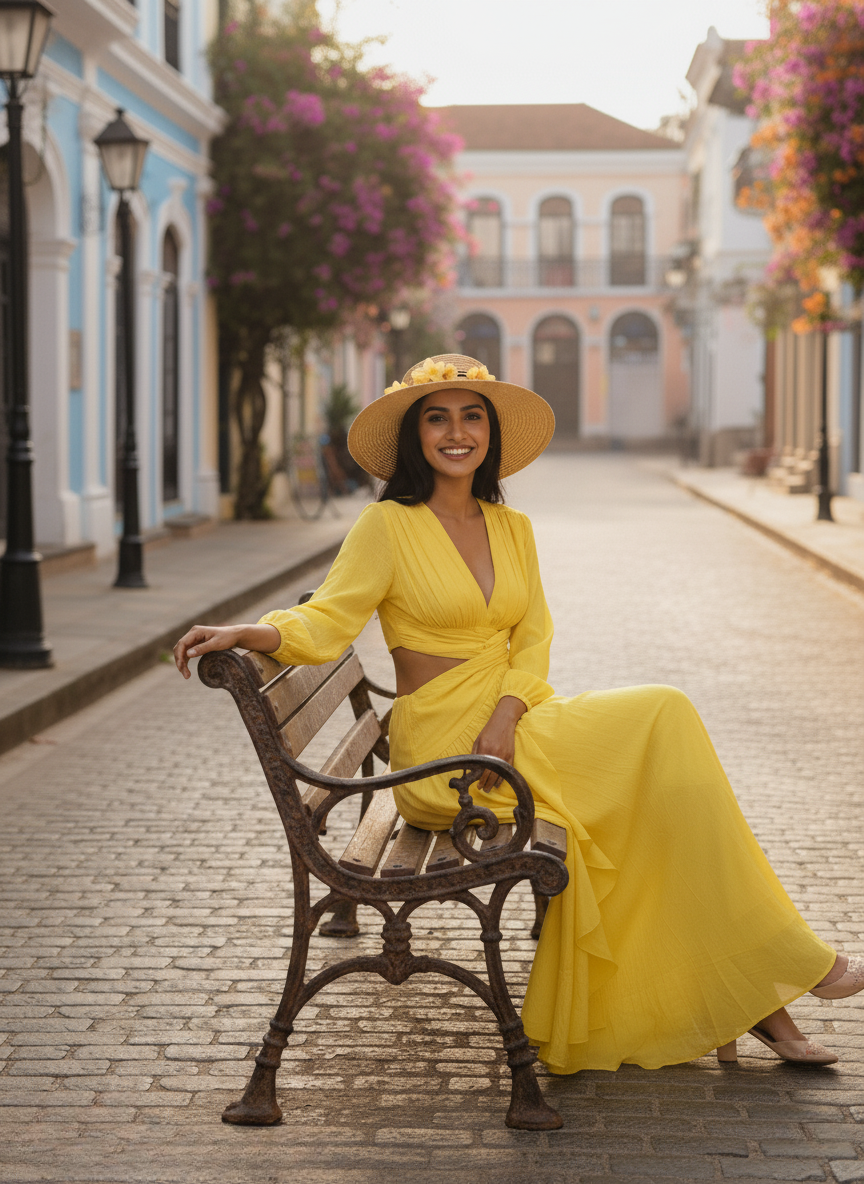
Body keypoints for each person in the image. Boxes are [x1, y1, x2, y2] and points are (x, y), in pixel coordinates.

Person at [174, 353, 863, 1075]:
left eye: (472, 416)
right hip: (446, 756)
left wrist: (506, 712)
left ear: (490, 435)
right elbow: (326, 622)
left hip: (506, 726)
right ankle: (783, 979)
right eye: (437, 418)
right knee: (664, 722)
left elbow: (533, 641)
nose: (456, 432)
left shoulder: (513, 527)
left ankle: (762, 1001)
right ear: (416, 438)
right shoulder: (387, 526)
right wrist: (252, 632)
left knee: (667, 778)